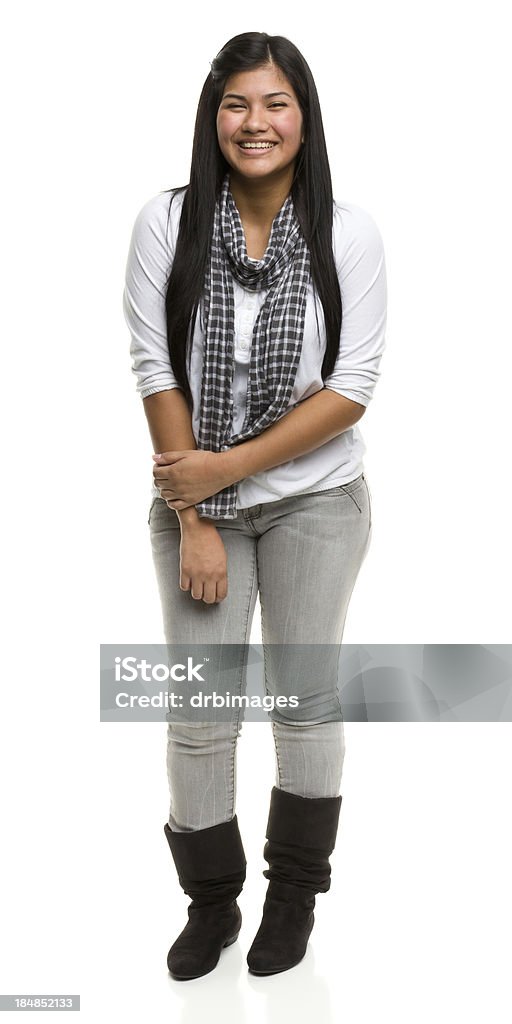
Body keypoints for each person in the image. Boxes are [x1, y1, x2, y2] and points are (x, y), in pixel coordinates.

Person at [123, 31, 387, 980]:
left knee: (304, 704)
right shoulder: (171, 220)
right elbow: (155, 362)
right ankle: (210, 903)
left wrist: (223, 465)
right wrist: (196, 511)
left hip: (317, 499)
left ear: (303, 117)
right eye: (237, 103)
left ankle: (293, 895)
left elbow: (350, 387)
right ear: (214, 117)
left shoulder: (345, 232)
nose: (256, 122)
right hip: (199, 506)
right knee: (200, 711)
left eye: (275, 102)